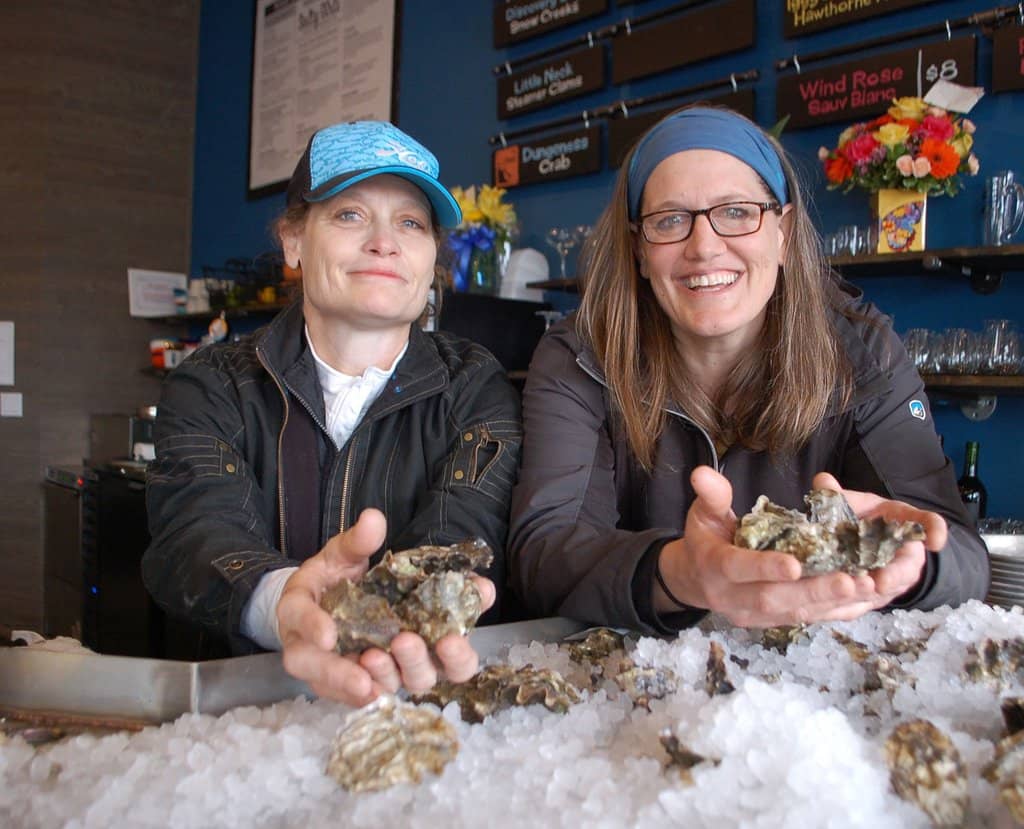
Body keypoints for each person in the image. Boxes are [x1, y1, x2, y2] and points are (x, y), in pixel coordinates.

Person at [508, 105, 990, 635]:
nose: (704, 247)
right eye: (669, 220)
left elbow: (964, 558)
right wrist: (682, 574)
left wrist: (912, 563)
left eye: (737, 212)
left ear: (782, 232)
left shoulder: (862, 350)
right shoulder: (580, 357)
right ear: (640, 252)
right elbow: (545, 552)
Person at [143, 121, 522, 706]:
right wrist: (283, 600)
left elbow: (462, 524)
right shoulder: (211, 384)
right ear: (294, 240)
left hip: (416, 699)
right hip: (249, 717)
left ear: (430, 259)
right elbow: (195, 535)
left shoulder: (474, 385)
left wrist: (406, 618)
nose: (384, 242)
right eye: (350, 215)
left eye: (411, 223)